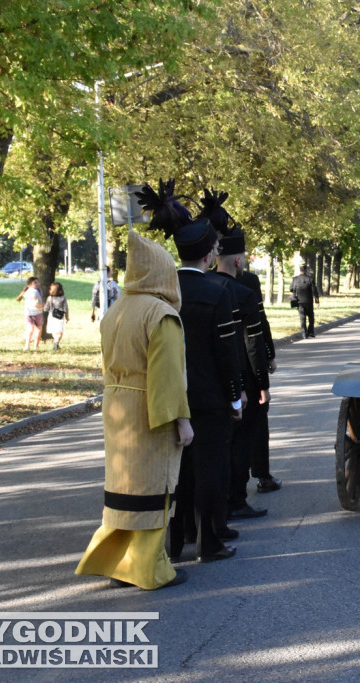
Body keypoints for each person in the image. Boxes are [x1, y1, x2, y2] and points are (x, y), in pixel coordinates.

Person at [75, 229, 193, 590]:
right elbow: (168, 376)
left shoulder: (115, 312)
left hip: (117, 408)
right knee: (155, 486)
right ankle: (149, 568)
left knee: (123, 485)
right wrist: (181, 421)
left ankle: (116, 561)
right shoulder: (161, 315)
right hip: (148, 410)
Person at [136, 179, 243, 564]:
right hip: (211, 396)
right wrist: (235, 394)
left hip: (170, 395)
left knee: (177, 473)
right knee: (211, 470)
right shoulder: (219, 292)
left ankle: (177, 541)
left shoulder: (161, 293)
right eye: (215, 248)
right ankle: (210, 541)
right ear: (209, 255)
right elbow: (227, 353)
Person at [212, 223, 274, 518]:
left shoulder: (202, 286)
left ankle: (218, 499)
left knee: (218, 442)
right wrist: (261, 383)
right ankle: (236, 499)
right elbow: (254, 342)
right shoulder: (243, 291)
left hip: (210, 378)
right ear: (237, 260)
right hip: (243, 376)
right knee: (243, 439)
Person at [290, 264, 319, 337]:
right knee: (311, 317)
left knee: (302, 317)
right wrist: (317, 301)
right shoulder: (310, 279)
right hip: (309, 301)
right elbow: (314, 290)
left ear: (300, 270)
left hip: (299, 302)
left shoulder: (295, 279)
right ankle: (311, 332)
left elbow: (291, 289)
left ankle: (304, 333)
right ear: (306, 270)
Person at [15, 276, 43, 351]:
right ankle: (33, 346)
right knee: (33, 329)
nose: (37, 284)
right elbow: (36, 304)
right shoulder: (34, 292)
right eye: (35, 282)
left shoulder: (29, 291)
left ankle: (29, 346)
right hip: (34, 313)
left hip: (32, 313)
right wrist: (44, 306)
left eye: (38, 282)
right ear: (30, 284)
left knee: (35, 330)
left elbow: (22, 295)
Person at [44, 282, 70, 351]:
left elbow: (46, 308)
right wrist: (67, 317)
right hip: (60, 316)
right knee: (60, 331)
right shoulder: (63, 298)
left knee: (54, 331)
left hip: (51, 316)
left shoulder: (50, 298)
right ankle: (56, 342)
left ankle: (56, 342)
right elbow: (66, 308)